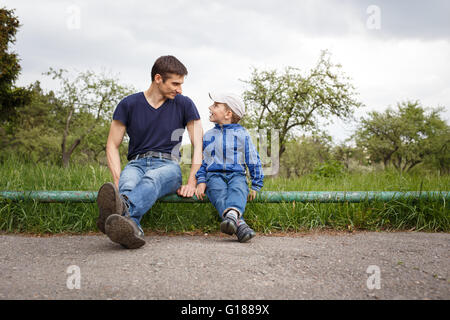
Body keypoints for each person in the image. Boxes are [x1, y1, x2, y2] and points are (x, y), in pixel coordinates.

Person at [97, 55, 203, 249]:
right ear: (158, 78)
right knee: (127, 185)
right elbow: (112, 144)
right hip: (136, 163)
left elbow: (199, 145)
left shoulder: (185, 104)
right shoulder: (128, 104)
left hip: (168, 166)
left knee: (152, 178)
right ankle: (132, 228)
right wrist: (117, 177)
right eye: (175, 83)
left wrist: (192, 182)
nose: (180, 89)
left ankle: (118, 213)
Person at [195, 93, 264, 242]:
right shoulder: (209, 135)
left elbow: (252, 158)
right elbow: (203, 161)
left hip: (237, 174)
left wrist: (256, 184)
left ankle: (234, 219)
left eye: (215, 105)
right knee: (218, 194)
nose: (210, 107)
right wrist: (201, 180)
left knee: (239, 189)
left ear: (228, 114)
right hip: (214, 175)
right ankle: (240, 225)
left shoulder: (242, 134)